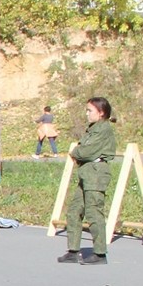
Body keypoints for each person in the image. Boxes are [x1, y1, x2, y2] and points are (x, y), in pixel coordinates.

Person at [58, 97, 117, 265]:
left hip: (96, 174)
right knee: (74, 210)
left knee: (93, 212)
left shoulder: (103, 129)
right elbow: (82, 149)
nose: (87, 114)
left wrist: (76, 152)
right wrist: (78, 151)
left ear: (101, 113)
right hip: (86, 173)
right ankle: (73, 250)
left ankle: (99, 253)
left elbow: (87, 152)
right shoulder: (93, 128)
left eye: (90, 110)